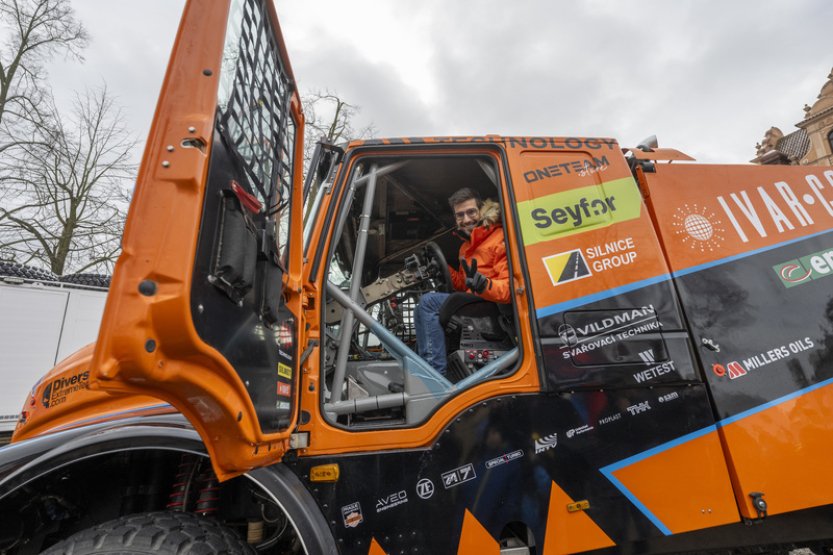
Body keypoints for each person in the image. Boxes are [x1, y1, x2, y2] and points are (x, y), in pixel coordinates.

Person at [415, 187, 510, 375]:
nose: (465, 220)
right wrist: (440, 268)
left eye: (471, 212)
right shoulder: (465, 247)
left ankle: (435, 374)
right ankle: (423, 369)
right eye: (460, 215)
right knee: (422, 306)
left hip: (491, 305)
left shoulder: (499, 238)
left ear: (482, 210)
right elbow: (461, 284)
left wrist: (484, 285)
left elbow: (508, 289)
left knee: (428, 303)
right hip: (473, 300)